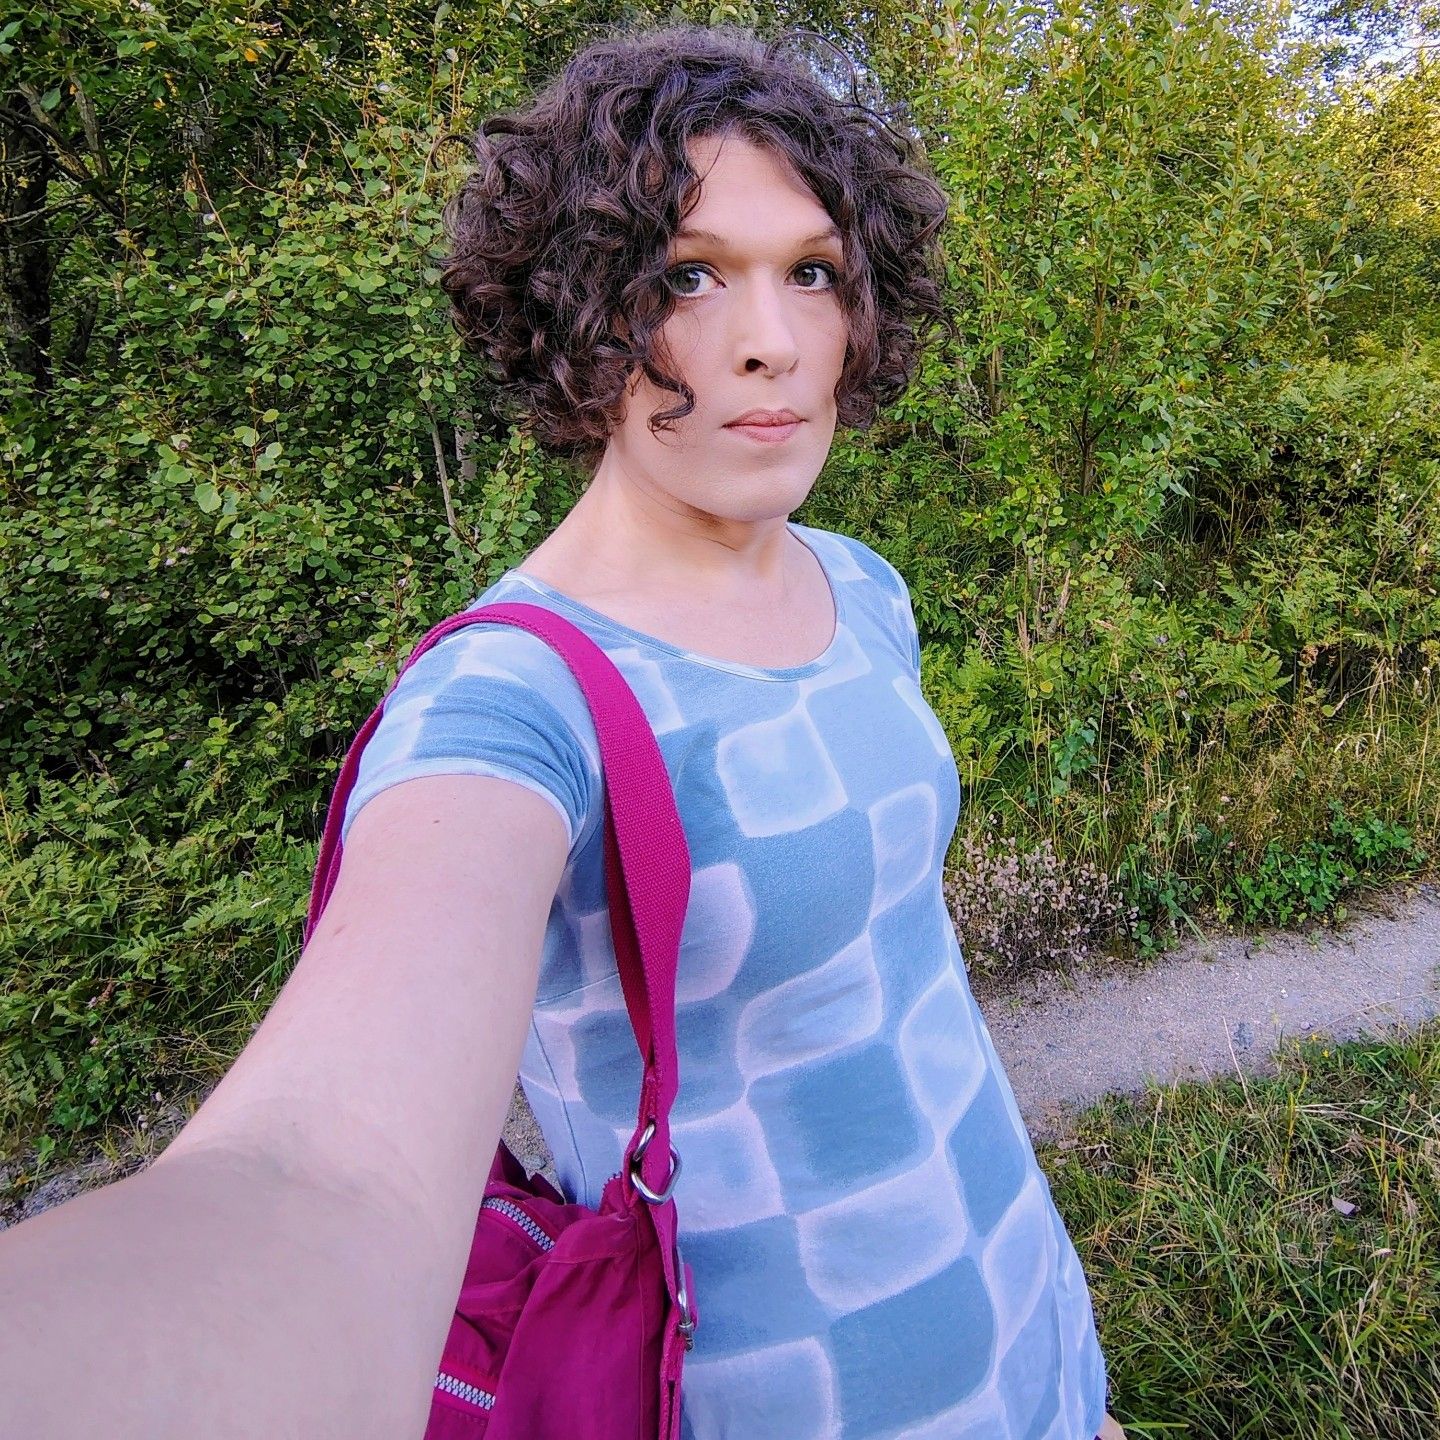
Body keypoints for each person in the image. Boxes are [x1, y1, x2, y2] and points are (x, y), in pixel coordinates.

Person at [0, 20, 1124, 1440]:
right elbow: (325, 1172)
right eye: (692, 274)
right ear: (579, 308)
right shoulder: (513, 704)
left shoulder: (860, 587)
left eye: (814, 273)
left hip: (1031, 1338)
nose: (772, 341)